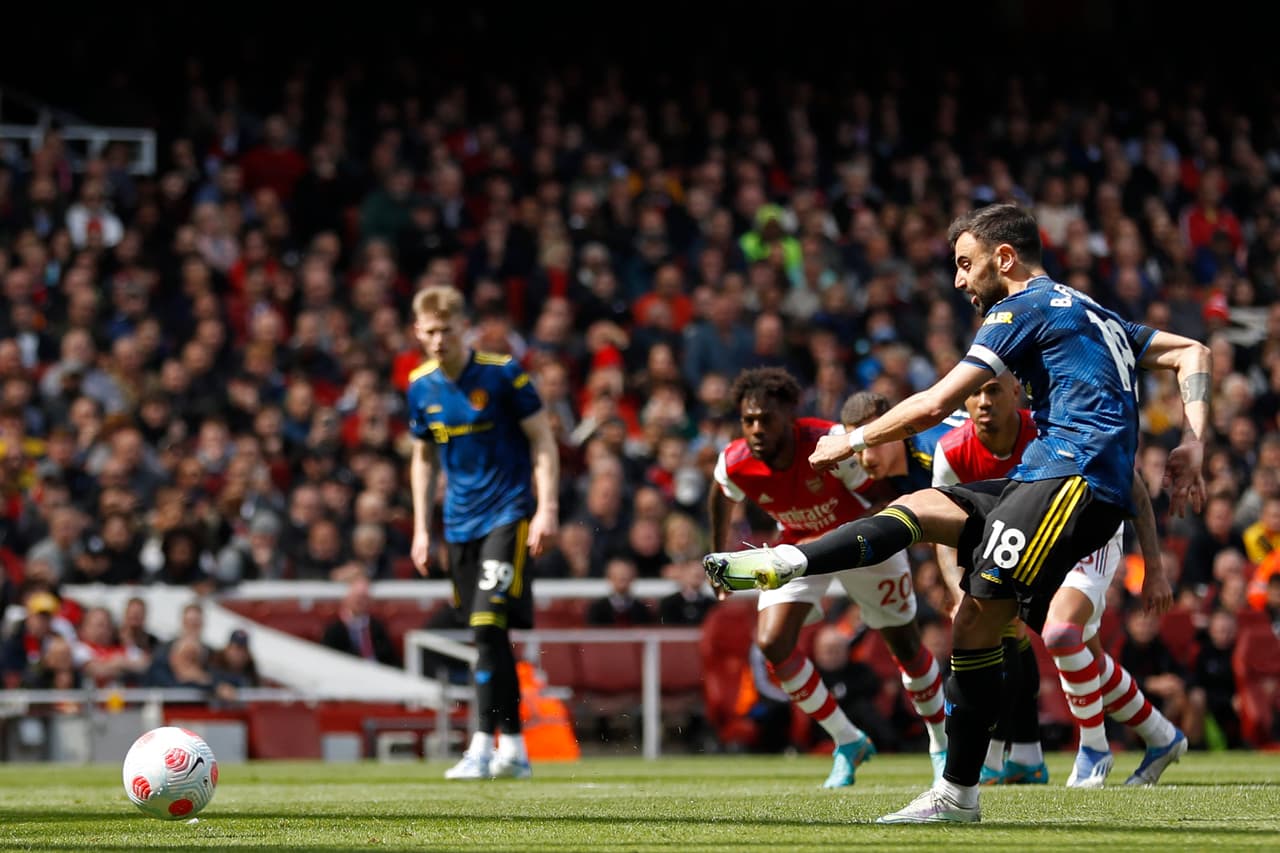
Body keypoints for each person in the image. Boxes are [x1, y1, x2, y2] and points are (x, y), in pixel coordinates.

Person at [704, 203, 1210, 823]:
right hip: (1044, 476)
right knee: (919, 506)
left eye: (965, 264)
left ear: (1005, 258)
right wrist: (1195, 440)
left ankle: (962, 792)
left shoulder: (1017, 309)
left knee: (977, 619)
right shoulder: (1090, 310)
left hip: (1074, 481)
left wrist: (851, 441)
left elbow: (936, 400)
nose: (958, 280)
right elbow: (1194, 352)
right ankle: (788, 561)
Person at [931, 371, 1186, 787]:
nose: (983, 402)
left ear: (1017, 391)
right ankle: (1162, 736)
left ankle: (1094, 749)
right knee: (1083, 654)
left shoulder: (1054, 429)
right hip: (1030, 547)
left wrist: (1154, 569)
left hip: (1090, 530)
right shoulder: (952, 451)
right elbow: (944, 528)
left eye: (992, 390)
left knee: (1062, 636)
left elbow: (1135, 487)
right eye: (974, 393)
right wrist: (958, 587)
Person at [708, 367, 949, 788]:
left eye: (767, 418)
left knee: (907, 649)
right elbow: (719, 496)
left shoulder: (829, 444)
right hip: (795, 550)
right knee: (773, 643)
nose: (757, 429)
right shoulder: (735, 461)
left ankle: (942, 744)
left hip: (864, 543)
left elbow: (882, 501)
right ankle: (847, 740)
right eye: (749, 420)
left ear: (790, 415)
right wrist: (714, 554)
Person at [406, 285, 560, 781]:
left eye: (446, 330)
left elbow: (542, 440)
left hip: (507, 514)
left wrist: (546, 509)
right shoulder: (420, 385)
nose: (437, 339)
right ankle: (513, 748)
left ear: (463, 328)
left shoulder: (502, 374)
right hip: (458, 523)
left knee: (485, 626)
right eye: (428, 331)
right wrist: (421, 530)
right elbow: (424, 457)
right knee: (489, 637)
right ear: (417, 331)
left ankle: (479, 745)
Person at [321, 576, 398, 667]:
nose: (360, 602)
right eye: (357, 598)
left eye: (364, 598)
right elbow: (327, 659)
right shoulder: (334, 629)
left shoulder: (377, 626)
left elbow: (389, 658)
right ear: (347, 599)